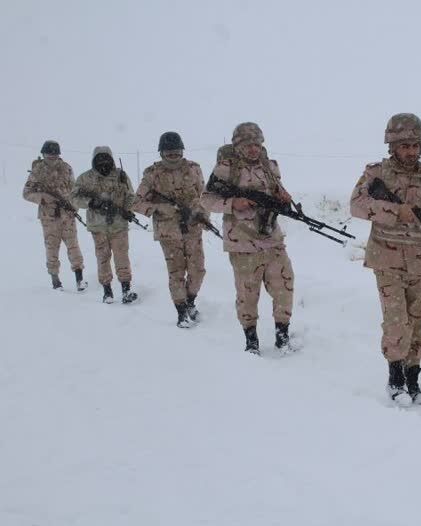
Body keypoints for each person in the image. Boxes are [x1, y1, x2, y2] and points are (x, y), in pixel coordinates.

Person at [350, 113, 421, 407]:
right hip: (387, 258)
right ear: (391, 146)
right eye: (403, 145)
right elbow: (357, 206)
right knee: (397, 322)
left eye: (414, 145)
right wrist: (395, 212)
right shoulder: (376, 173)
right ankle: (395, 380)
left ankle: (413, 378)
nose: (410, 151)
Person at [201, 122, 294, 354]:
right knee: (247, 294)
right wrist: (233, 203)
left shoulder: (269, 166)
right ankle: (251, 340)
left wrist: (283, 197)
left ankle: (282, 336)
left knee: (284, 287)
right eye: (248, 144)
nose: (253, 149)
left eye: (257, 144)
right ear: (238, 145)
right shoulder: (226, 168)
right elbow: (205, 199)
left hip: (272, 239)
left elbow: (277, 189)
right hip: (242, 243)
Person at [133, 132, 208, 328]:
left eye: (177, 152)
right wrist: (159, 209)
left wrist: (200, 212)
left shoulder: (194, 169)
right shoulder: (152, 174)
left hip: (192, 227)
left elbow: (204, 196)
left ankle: (190, 301)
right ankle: (181, 311)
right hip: (168, 230)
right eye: (169, 153)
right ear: (161, 153)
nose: (174, 156)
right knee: (176, 273)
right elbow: (136, 202)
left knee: (198, 270)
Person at [72, 146, 138, 304]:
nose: (103, 162)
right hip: (98, 226)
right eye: (99, 158)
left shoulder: (120, 175)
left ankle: (126, 289)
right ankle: (107, 291)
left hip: (119, 225)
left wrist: (127, 210)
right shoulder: (85, 178)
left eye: (106, 158)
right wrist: (92, 202)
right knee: (102, 257)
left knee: (122, 257)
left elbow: (130, 195)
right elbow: (74, 198)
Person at [22, 140, 87, 291]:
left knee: (73, 247)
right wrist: (44, 197)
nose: (52, 156)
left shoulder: (66, 168)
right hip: (48, 217)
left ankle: (79, 278)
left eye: (54, 153)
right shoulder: (37, 171)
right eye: (49, 153)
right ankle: (55, 280)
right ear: (43, 153)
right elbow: (26, 193)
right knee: (52, 248)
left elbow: (75, 191)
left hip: (67, 215)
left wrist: (73, 207)